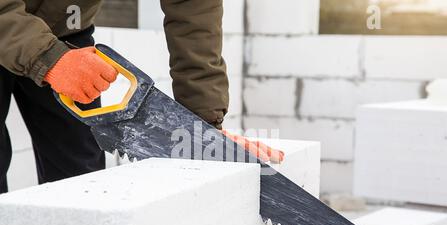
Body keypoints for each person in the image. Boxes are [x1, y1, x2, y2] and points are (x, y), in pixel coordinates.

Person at [0, 0, 283, 194]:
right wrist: (45, 57)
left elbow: (193, 12)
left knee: (80, 185)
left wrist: (202, 126)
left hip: (68, 35)